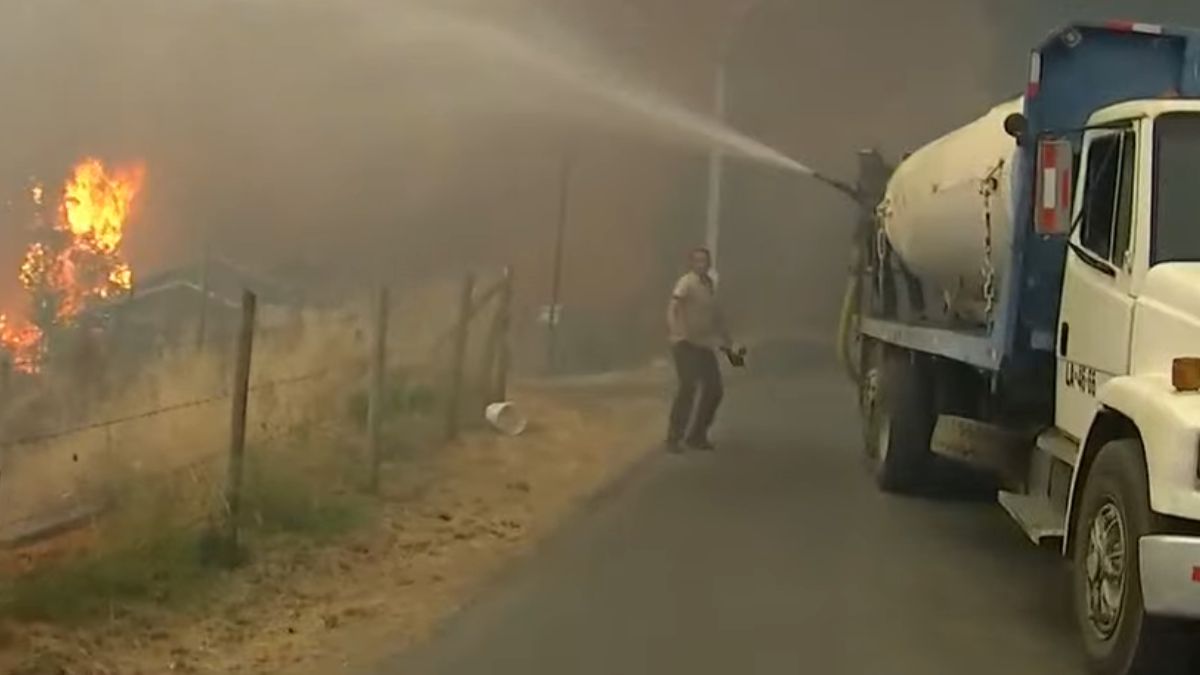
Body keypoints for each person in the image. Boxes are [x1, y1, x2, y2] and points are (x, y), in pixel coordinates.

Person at [666, 247, 733, 452]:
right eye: (697, 261)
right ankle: (674, 437)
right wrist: (675, 329)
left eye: (704, 261)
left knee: (714, 389)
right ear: (692, 264)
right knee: (688, 386)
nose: (701, 265)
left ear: (709, 263)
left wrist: (725, 337)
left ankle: (697, 434)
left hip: (704, 344)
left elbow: (715, 315)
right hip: (685, 343)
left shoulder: (709, 286)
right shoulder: (686, 282)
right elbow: (674, 305)